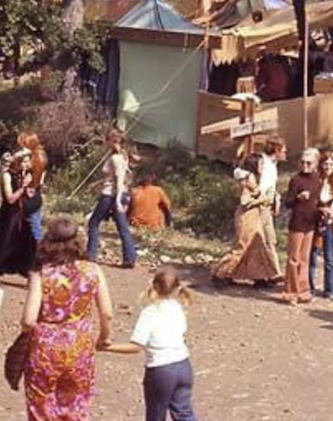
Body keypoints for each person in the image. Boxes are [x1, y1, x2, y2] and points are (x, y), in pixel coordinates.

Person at [21, 216, 114, 421]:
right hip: (79, 345)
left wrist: (29, 334)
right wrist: (103, 337)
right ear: (78, 241)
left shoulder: (41, 274)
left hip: (45, 348)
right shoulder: (93, 271)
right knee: (76, 405)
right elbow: (106, 312)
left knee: (41, 407)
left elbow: (28, 320)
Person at [101, 265, 200, 421]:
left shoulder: (149, 313)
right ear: (177, 288)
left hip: (161, 370)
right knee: (184, 412)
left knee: (156, 414)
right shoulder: (177, 307)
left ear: (154, 286)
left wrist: (108, 347)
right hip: (183, 365)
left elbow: (136, 347)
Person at [211, 155, 278, 286]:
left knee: (257, 245)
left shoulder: (251, 177)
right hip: (246, 216)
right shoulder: (247, 178)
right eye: (261, 164)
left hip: (254, 215)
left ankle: (259, 277)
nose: (263, 167)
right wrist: (262, 200)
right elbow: (244, 201)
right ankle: (221, 273)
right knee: (242, 245)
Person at [86, 129, 137, 269]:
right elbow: (112, 177)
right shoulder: (122, 157)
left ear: (113, 142)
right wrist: (97, 183)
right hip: (116, 193)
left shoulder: (116, 159)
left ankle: (90, 255)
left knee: (93, 223)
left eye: (107, 140)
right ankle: (130, 257)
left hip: (110, 195)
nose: (105, 143)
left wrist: (118, 200)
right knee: (122, 227)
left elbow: (119, 180)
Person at [283, 147, 321, 305]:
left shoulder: (317, 180)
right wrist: (298, 197)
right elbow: (288, 202)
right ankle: (290, 292)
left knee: (305, 259)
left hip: (310, 223)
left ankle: (303, 291)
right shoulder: (296, 180)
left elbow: (317, 201)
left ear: (315, 164)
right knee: (294, 258)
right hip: (297, 224)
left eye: (309, 163)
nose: (305, 165)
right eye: (303, 162)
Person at [308, 149, 333, 300]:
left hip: (330, 221)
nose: (328, 167)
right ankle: (309, 287)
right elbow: (312, 200)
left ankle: (330, 289)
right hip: (316, 220)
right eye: (325, 164)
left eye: (331, 164)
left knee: (329, 257)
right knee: (313, 256)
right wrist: (321, 208)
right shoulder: (316, 180)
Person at [0, 150, 36, 277]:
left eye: (28, 161)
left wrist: (31, 187)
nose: (28, 164)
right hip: (10, 214)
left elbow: (30, 195)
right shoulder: (7, 175)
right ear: (18, 162)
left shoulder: (25, 174)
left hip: (23, 213)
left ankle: (24, 268)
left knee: (27, 240)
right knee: (6, 241)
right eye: (25, 161)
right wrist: (23, 187)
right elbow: (10, 199)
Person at [256, 137, 286, 281]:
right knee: (264, 239)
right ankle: (273, 273)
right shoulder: (261, 161)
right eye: (283, 149)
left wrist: (277, 198)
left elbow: (271, 186)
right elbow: (239, 171)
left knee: (268, 240)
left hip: (267, 206)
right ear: (277, 149)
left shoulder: (273, 165)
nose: (285, 152)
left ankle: (270, 273)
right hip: (259, 206)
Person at [17, 131, 48, 243]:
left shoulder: (35, 159)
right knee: (35, 224)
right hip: (35, 194)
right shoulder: (39, 155)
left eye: (23, 144)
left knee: (34, 227)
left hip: (30, 196)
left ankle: (37, 251)